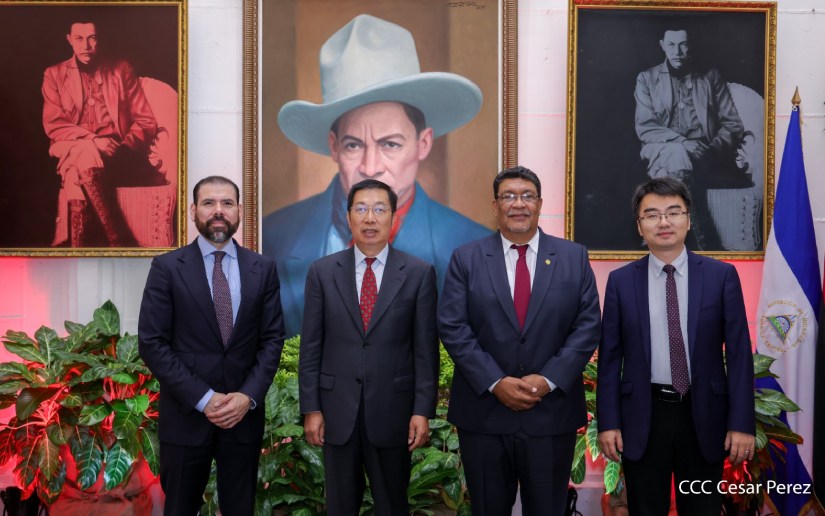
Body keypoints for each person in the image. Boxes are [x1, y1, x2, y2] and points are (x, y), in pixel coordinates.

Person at [263, 14, 491, 337]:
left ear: (423, 144)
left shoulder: (476, 249)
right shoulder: (271, 237)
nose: (371, 167)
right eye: (354, 145)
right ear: (334, 147)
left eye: (390, 144)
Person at [438, 166, 601, 515]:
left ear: (539, 203)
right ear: (495, 206)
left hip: (550, 415)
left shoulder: (573, 257)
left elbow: (587, 326)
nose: (518, 204)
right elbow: (453, 326)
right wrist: (495, 381)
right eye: (508, 196)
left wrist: (548, 379)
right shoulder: (466, 258)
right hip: (484, 417)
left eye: (527, 196)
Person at [597, 177, 755, 515]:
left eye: (673, 212)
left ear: (688, 219)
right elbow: (610, 360)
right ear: (639, 226)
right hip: (644, 416)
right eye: (652, 214)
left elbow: (740, 355)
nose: (663, 222)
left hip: (704, 416)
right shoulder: (621, 282)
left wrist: (741, 423)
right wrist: (608, 423)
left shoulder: (721, 276)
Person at [138, 176, 285, 515]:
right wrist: (204, 399)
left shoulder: (263, 268)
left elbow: (272, 339)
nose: (218, 211)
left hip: (242, 418)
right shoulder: (167, 268)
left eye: (227, 203)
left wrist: (247, 396)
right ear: (193, 211)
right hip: (185, 417)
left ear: (239, 211)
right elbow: (152, 342)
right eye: (209, 203)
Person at [299, 179, 439, 514]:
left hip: (394, 412)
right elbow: (311, 347)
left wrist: (421, 411)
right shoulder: (322, 272)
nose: (370, 218)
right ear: (349, 216)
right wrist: (312, 408)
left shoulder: (419, 274)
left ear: (393, 217)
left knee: (393, 505)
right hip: (337, 412)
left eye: (379, 209)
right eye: (361, 209)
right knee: (340, 506)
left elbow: (425, 351)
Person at [43, 20, 166, 247]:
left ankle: (78, 251)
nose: (86, 46)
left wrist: (123, 148)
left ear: (99, 39)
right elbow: (54, 125)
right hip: (68, 144)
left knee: (74, 173)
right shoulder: (54, 74)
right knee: (85, 149)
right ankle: (118, 240)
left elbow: (145, 121)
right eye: (79, 38)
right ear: (69, 40)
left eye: (92, 38)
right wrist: (93, 140)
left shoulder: (121, 70)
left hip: (112, 155)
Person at [634, 28, 747, 249]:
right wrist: (684, 143)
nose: (677, 52)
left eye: (683, 44)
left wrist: (711, 148)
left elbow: (733, 125)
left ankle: (658, 235)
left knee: (673, 160)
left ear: (691, 46)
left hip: (703, 152)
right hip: (660, 147)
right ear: (662, 45)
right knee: (675, 152)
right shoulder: (646, 79)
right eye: (671, 45)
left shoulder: (710, 76)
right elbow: (645, 127)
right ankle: (700, 239)